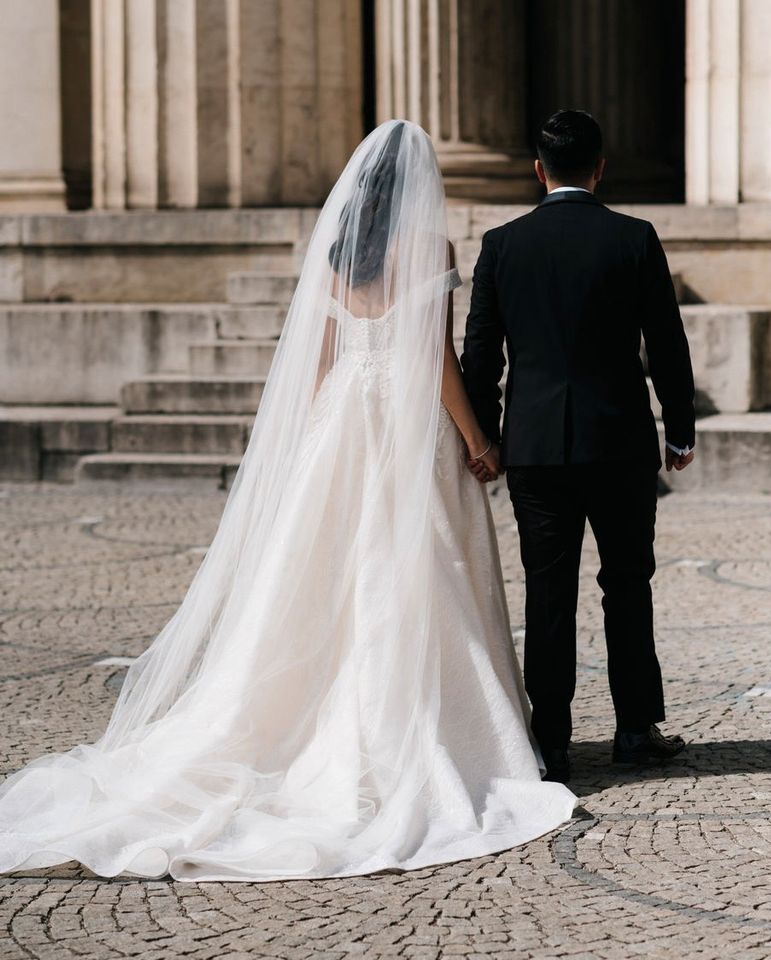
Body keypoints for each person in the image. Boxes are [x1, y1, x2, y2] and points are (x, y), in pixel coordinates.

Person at [0, 120, 576, 882]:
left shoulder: (338, 255)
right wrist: (475, 436)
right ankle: (432, 729)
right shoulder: (427, 252)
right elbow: (434, 357)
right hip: (403, 419)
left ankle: (299, 718)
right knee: (417, 566)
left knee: (327, 571)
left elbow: (324, 358)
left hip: (343, 417)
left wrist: (308, 444)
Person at [461, 110, 696, 785]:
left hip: (535, 449)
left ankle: (553, 740)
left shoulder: (502, 245)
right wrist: (677, 426)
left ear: (539, 170)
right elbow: (666, 343)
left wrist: (488, 436)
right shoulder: (634, 238)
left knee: (547, 590)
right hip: (619, 441)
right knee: (628, 583)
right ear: (600, 168)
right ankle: (632, 729)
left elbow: (481, 356)